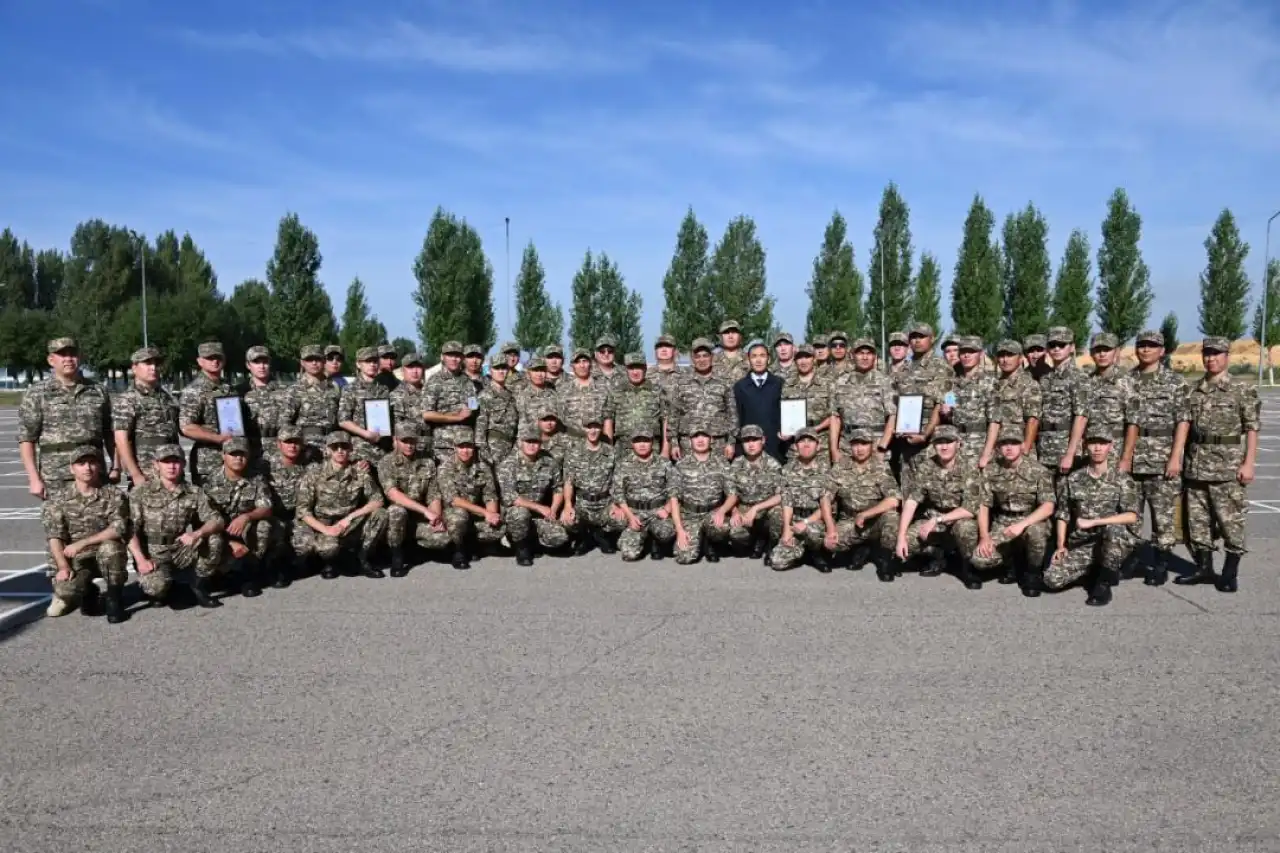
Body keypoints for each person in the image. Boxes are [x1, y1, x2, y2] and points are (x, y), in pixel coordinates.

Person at [1176, 336, 1259, 592]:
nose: (1211, 358)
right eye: (1207, 354)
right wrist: (1177, 456)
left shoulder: (1242, 389)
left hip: (1227, 466)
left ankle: (1230, 572)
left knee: (1230, 521)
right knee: (1197, 521)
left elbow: (1252, 427)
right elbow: (1185, 424)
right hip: (1197, 464)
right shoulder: (1193, 389)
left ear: (1227, 356)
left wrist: (1249, 463)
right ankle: (1203, 568)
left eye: (1217, 354)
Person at [1046, 428, 1140, 606]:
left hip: (1113, 540)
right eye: (1093, 443)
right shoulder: (1074, 479)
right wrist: (1060, 545)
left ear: (1110, 447)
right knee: (1052, 579)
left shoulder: (1121, 479)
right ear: (1085, 446)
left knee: (1113, 530)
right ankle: (1094, 568)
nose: (1097, 448)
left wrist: (1095, 522)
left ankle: (1103, 584)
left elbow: (1131, 516)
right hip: (1084, 542)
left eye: (1103, 443)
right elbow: (1063, 514)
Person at [127, 444, 226, 608]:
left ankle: (198, 585)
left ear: (183, 464)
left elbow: (216, 520)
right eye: (166, 462)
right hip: (153, 551)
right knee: (156, 590)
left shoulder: (194, 492)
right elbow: (130, 530)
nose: (171, 466)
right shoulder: (141, 492)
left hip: (180, 547)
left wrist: (197, 534)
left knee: (214, 539)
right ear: (156, 465)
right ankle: (165, 584)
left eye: (176, 461)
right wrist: (140, 559)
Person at [19, 336, 117, 499]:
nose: (68, 359)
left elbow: (110, 433)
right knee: (59, 523)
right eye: (62, 354)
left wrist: (116, 466)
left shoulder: (97, 390)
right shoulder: (37, 393)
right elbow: (27, 439)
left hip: (93, 472)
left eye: (72, 354)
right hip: (56, 477)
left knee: (98, 520)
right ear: (51, 360)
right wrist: (34, 478)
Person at [41, 445, 130, 622]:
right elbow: (54, 536)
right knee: (65, 590)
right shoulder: (58, 499)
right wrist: (63, 566)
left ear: (99, 466)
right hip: (76, 558)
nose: (87, 468)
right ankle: (88, 591)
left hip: (103, 553)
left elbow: (119, 527)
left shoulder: (113, 494)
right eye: (81, 463)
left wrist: (83, 543)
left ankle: (114, 598)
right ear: (71, 468)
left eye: (92, 462)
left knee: (111, 548)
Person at [294, 432, 387, 579]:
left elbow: (377, 500)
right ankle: (329, 561)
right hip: (324, 524)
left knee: (381, 514)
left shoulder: (360, 472)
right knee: (328, 549)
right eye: (334, 447)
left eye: (344, 446)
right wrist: (326, 530)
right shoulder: (315, 474)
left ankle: (362, 558)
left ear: (350, 449)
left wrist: (349, 518)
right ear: (327, 450)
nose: (340, 450)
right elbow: (302, 511)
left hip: (349, 523)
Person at [820, 428, 901, 581]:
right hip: (851, 521)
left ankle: (885, 561)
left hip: (875, 520)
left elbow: (894, 499)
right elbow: (825, 498)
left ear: (872, 445)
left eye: (864, 444)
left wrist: (866, 514)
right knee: (830, 544)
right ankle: (860, 548)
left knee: (892, 517)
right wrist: (831, 528)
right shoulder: (840, 467)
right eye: (855, 444)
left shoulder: (880, 467)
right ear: (850, 447)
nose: (860, 449)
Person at [496, 427, 569, 565]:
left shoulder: (549, 462)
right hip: (514, 512)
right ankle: (521, 548)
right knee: (520, 514)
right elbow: (510, 497)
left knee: (559, 538)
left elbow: (558, 488)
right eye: (528, 441)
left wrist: (553, 509)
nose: (532, 445)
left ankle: (532, 540)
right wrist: (540, 508)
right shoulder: (508, 464)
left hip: (537, 515)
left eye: (535, 442)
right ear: (520, 443)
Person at [113, 345, 180, 486]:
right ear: (135, 368)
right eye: (147, 363)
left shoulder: (166, 397)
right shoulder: (128, 399)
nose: (153, 368)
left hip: (172, 473)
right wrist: (135, 474)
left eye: (156, 363)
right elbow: (121, 440)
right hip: (146, 474)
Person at [178, 340, 239, 486]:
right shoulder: (194, 391)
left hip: (233, 456)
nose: (215, 361)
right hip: (208, 460)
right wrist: (217, 438)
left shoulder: (228, 388)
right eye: (209, 358)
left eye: (218, 358)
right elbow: (186, 427)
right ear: (200, 361)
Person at [732, 341, 784, 462]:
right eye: (754, 356)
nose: (758, 360)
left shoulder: (779, 383)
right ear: (748, 359)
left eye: (762, 355)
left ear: (768, 358)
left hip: (774, 446)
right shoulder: (740, 386)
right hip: (749, 446)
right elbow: (737, 417)